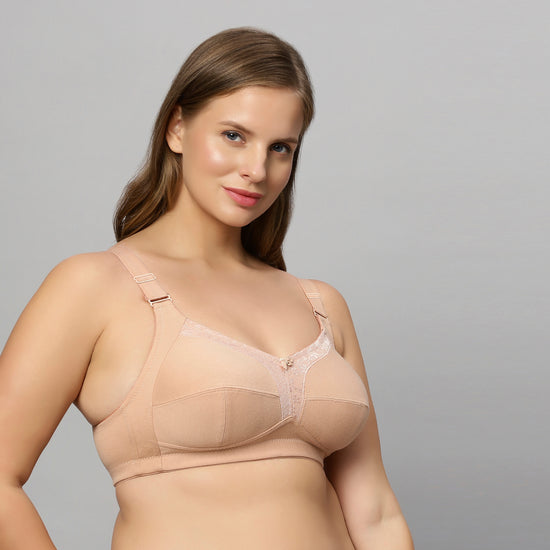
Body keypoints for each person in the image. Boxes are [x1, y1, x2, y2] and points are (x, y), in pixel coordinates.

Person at [0, 27, 414, 549]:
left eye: (280, 148)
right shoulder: (95, 286)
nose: (256, 170)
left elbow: (375, 512)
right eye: (234, 136)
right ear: (177, 128)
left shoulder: (322, 305)